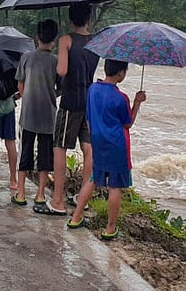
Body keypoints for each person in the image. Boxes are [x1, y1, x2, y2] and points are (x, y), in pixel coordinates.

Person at [66, 59, 146, 239]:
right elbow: (128, 123)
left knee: (93, 179)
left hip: (97, 141)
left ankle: (76, 217)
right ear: (120, 73)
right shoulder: (121, 98)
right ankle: (110, 228)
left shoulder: (93, 89)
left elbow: (88, 117)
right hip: (117, 145)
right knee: (115, 186)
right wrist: (137, 102)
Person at [44, 3, 100, 216]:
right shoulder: (95, 42)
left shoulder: (66, 40)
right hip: (89, 100)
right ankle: (83, 197)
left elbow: (62, 70)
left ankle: (57, 200)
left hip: (70, 101)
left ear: (70, 19)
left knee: (60, 147)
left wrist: (61, 53)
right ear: (89, 19)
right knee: (88, 149)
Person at [12, 19, 59, 208]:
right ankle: (40, 195)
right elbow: (60, 88)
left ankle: (21, 193)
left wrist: (26, 96)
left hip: (28, 114)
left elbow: (20, 85)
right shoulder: (56, 61)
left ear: (36, 37)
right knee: (46, 156)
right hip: (48, 115)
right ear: (54, 40)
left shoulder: (26, 58)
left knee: (25, 152)